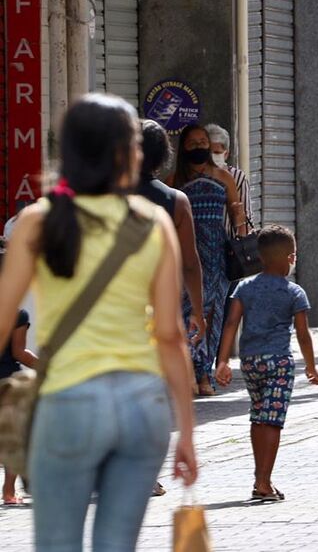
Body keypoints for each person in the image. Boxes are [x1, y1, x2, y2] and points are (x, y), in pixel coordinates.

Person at [0, 94, 197, 549]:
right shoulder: (152, 222)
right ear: (129, 153)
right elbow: (169, 336)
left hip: (67, 403)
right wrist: (186, 431)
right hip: (140, 407)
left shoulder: (37, 221)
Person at [215, 225, 318, 501]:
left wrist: (223, 361)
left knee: (258, 417)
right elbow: (303, 335)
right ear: (290, 257)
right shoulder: (294, 292)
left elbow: (230, 324)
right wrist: (310, 366)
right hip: (279, 364)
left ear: (260, 257)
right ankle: (263, 482)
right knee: (272, 422)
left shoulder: (243, 287)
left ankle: (260, 478)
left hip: (250, 363)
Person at [170, 123, 245, 396]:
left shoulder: (223, 177)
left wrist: (243, 243)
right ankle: (188, 371)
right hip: (186, 254)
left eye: (203, 141)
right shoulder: (173, 180)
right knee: (185, 313)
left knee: (212, 316)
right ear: (183, 148)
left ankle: (205, 374)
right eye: (193, 143)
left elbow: (238, 218)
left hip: (216, 255)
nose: (200, 146)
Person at [139, 119, 206, 343]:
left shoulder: (103, 198)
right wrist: (198, 309)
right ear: (163, 155)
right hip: (159, 304)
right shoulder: (175, 200)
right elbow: (189, 262)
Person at [1, 307, 36, 505]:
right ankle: (8, 492)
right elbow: (19, 352)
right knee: (13, 436)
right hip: (7, 382)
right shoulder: (17, 314)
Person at [206, 123, 254, 231]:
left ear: (226, 154)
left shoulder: (237, 177)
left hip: (228, 243)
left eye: (217, 152)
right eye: (208, 153)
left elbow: (246, 218)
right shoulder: (196, 176)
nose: (212, 157)